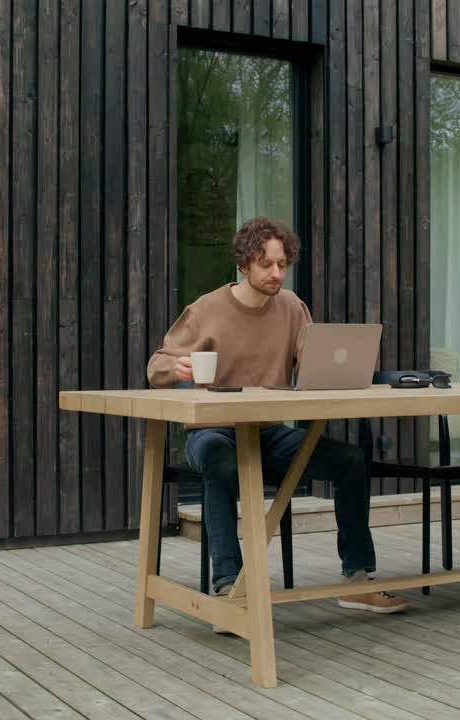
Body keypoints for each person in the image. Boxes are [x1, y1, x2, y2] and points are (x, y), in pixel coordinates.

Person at [147, 216, 406, 617]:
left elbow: (316, 360)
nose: (276, 273)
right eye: (266, 264)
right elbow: (156, 366)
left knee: (351, 460)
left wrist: (336, 370)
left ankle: (356, 579)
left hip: (269, 432)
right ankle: (229, 588)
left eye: (282, 264)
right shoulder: (205, 310)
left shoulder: (291, 307)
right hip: (213, 431)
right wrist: (176, 368)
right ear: (244, 263)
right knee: (221, 464)